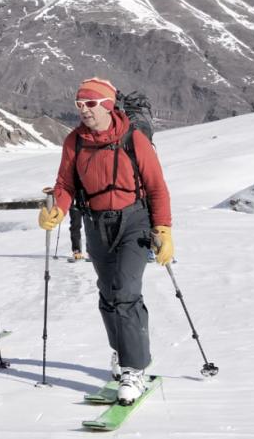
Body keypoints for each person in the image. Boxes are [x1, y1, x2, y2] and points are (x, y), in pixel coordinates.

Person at [38, 77, 173, 405]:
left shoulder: (134, 139)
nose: (83, 109)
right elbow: (65, 183)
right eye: (79, 104)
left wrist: (164, 230)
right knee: (108, 293)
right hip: (96, 223)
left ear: (109, 105)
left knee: (125, 292)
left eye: (91, 103)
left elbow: (156, 187)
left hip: (135, 221)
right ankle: (122, 350)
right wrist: (57, 208)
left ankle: (134, 369)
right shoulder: (74, 142)